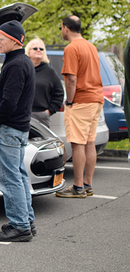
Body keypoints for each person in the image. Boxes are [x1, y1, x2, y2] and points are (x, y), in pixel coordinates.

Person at [0, 20, 36, 242]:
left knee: (9, 179)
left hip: (7, 129)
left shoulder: (16, 65)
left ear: (14, 39)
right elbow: (10, 96)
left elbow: (10, 102)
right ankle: (26, 220)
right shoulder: (21, 62)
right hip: (17, 129)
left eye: (0, 38)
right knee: (18, 176)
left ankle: (20, 226)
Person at [55, 15, 103, 198]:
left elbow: (71, 79)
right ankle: (88, 184)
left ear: (66, 28)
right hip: (96, 98)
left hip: (81, 100)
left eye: (61, 28)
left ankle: (77, 187)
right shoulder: (90, 46)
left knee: (77, 144)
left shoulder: (71, 48)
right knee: (90, 142)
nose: (61, 31)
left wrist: (69, 101)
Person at [25, 38, 64, 128]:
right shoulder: (23, 69)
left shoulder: (49, 72)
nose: (38, 50)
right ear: (28, 51)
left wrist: (48, 112)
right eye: (35, 48)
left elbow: (59, 94)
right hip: (22, 115)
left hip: (41, 116)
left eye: (41, 49)